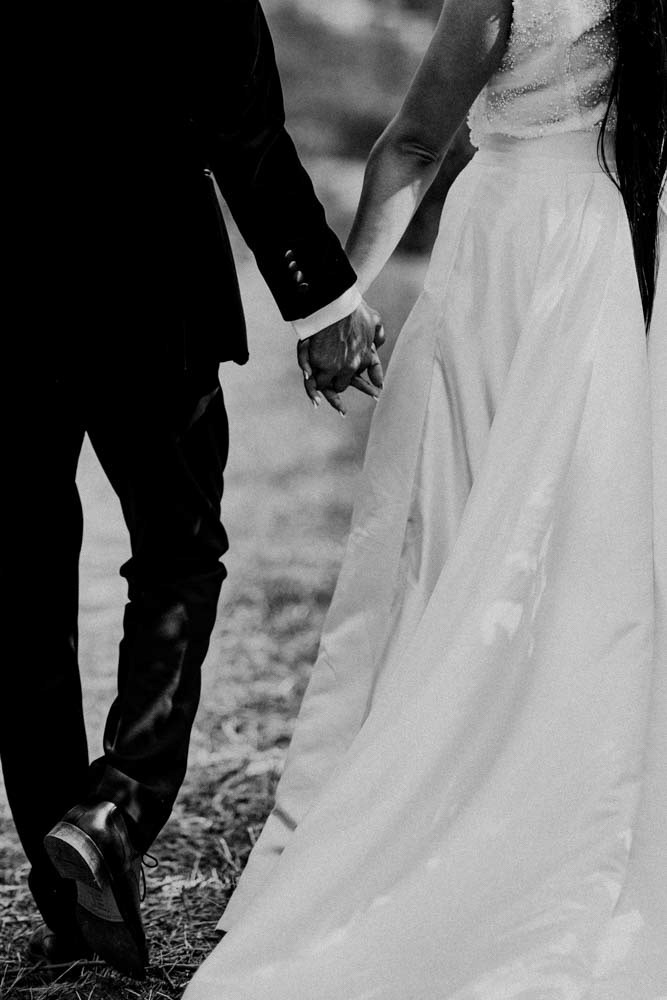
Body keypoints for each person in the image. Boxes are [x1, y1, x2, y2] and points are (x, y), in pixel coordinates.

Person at [184, 0, 666, 997]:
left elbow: (411, 144)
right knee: (591, 545)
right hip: (619, 256)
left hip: (510, 256)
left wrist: (338, 305)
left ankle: (442, 804)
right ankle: (574, 798)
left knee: (444, 537)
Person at [0, 1, 384, 982]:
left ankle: (72, 900)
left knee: (23, 591)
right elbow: (244, 131)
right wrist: (322, 299)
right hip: (151, 294)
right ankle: (117, 803)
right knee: (178, 552)